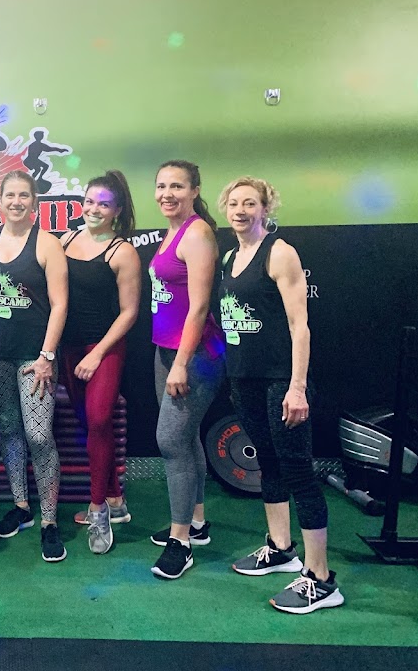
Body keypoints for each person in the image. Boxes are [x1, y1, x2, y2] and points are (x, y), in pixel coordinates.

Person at [218, 177, 343, 613]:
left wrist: (297, 386)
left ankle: (321, 578)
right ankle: (280, 547)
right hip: (244, 378)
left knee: (297, 471)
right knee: (268, 462)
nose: (240, 210)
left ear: (265, 208)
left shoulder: (279, 252)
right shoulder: (230, 257)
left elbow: (298, 325)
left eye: (250, 203)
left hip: (279, 380)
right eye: (234, 203)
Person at [0, 170, 69, 563]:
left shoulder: (47, 244)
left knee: (38, 436)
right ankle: (22, 506)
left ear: (34, 203)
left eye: (24, 196)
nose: (16, 202)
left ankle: (49, 521)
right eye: (10, 195)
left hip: (34, 357)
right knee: (9, 429)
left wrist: (47, 356)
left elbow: (60, 304)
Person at [147, 160, 226, 580]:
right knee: (186, 436)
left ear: (195, 190)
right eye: (161, 186)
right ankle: (196, 522)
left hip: (194, 356)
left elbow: (199, 307)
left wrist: (180, 363)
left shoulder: (196, 234)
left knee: (171, 440)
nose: (167, 194)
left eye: (177, 186)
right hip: (167, 351)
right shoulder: (172, 232)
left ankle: (181, 543)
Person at [60, 172, 141, 555]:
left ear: (117, 210)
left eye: (103, 204)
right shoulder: (65, 240)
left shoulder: (122, 252)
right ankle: (115, 499)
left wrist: (97, 353)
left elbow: (129, 313)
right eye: (89, 201)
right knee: (89, 425)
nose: (94, 209)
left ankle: (98, 510)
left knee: (98, 419)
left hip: (103, 348)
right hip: (68, 349)